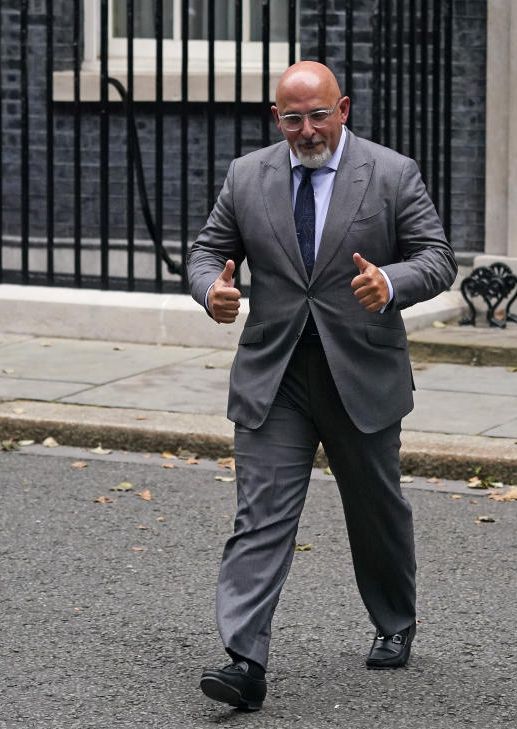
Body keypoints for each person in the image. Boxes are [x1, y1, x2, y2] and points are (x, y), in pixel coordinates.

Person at [187, 61, 456, 712]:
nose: (306, 130)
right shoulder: (247, 176)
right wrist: (213, 291)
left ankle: (396, 619)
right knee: (262, 516)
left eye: (317, 115)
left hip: (358, 369)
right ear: (274, 117)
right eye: (291, 117)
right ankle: (244, 659)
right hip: (275, 373)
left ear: (344, 110)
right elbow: (205, 253)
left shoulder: (392, 174)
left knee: (375, 509)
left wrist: (390, 283)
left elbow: (438, 258)